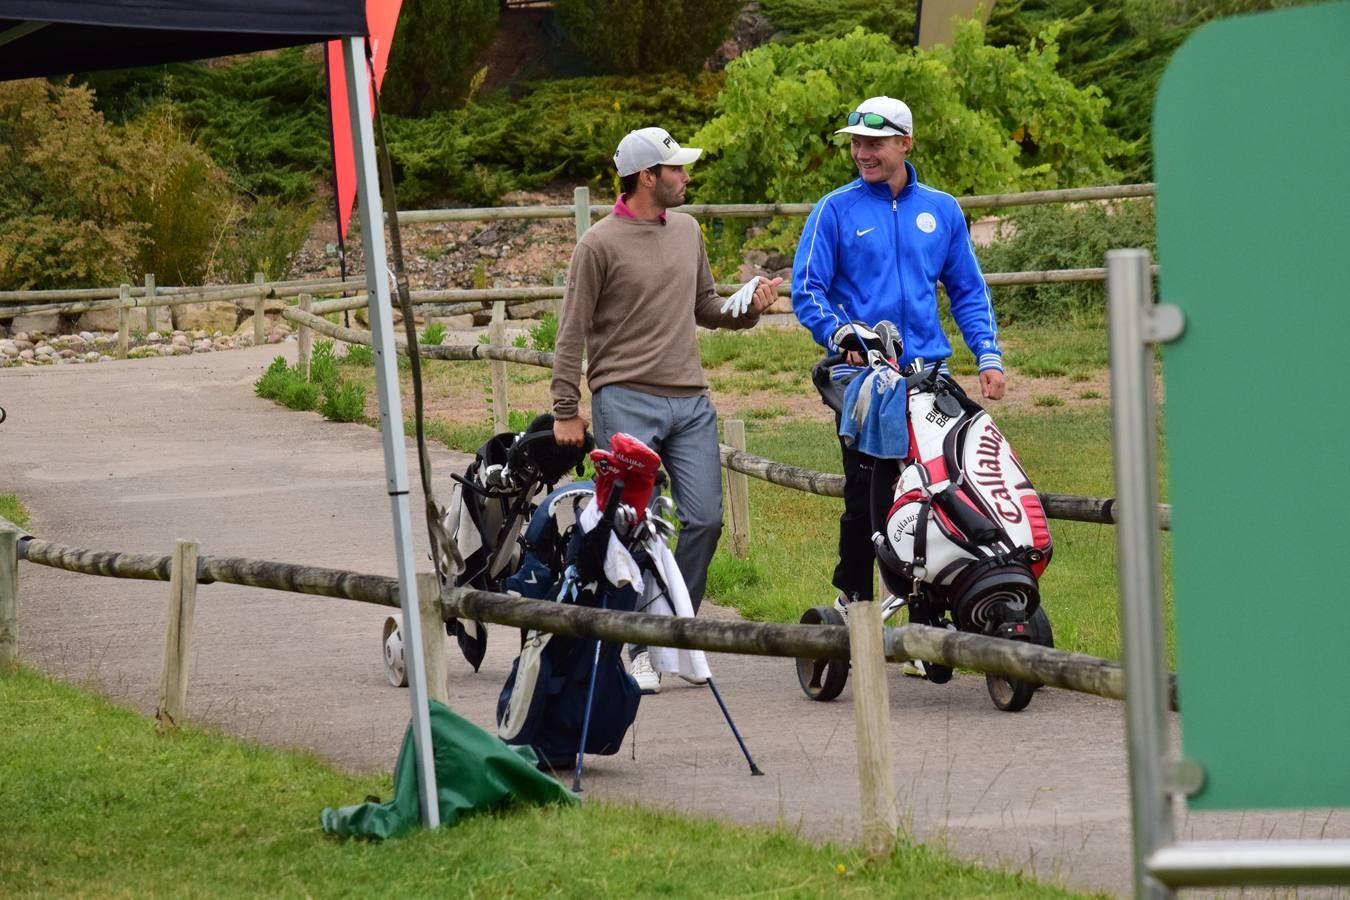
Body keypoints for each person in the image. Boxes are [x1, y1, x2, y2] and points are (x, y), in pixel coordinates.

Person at [551, 126, 781, 693]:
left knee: (705, 519)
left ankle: (675, 631)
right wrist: (565, 408)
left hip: (690, 400)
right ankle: (635, 646)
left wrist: (747, 307)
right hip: (624, 397)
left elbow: (704, 305)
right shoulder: (597, 244)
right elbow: (572, 329)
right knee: (635, 527)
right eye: (676, 169)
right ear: (647, 176)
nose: (686, 177)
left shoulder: (687, 230)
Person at [791, 96, 1005, 644]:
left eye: (875, 143)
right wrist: (844, 335)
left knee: (943, 488)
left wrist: (987, 356)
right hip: (866, 382)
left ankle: (928, 612)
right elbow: (808, 290)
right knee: (871, 495)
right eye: (857, 143)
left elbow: (967, 290)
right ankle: (856, 601)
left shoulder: (943, 210)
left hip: (930, 376)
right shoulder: (834, 210)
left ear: (904, 143)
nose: (862, 153)